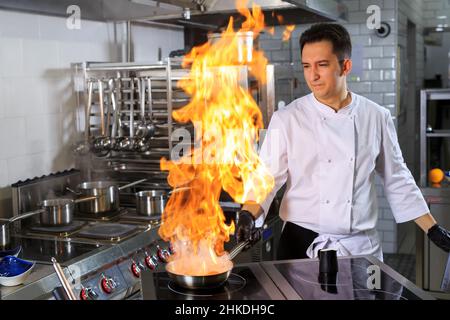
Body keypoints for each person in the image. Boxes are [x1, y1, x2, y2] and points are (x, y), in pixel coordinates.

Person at [236, 23, 450, 261]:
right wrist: (248, 215)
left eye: (322, 65)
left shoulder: (376, 116)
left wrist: (432, 228)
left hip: (359, 246)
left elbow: (396, 178)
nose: (313, 75)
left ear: (345, 66)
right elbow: (265, 179)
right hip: (300, 243)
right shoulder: (286, 118)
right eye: (307, 66)